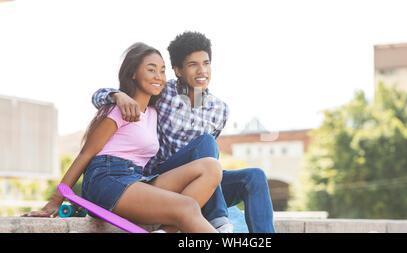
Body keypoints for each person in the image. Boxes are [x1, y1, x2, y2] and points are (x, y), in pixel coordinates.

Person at [23, 42, 222, 233]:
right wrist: (54, 201)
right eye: (151, 69)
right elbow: (85, 154)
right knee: (187, 206)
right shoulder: (119, 109)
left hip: (137, 178)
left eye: (162, 71)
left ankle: (165, 231)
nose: (159, 77)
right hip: (106, 178)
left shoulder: (153, 113)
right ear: (133, 73)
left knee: (211, 167)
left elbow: (190, 101)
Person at [92, 31, 275, 233]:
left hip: (201, 181)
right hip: (161, 179)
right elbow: (99, 96)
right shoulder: (164, 92)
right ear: (178, 70)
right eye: (192, 65)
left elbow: (209, 161)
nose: (201, 71)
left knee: (255, 176)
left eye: (206, 63)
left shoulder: (220, 109)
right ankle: (218, 219)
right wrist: (117, 95)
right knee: (205, 142)